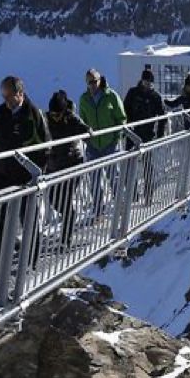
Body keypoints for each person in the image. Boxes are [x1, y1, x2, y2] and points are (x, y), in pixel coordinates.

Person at [0, 76, 51, 274]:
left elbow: (46, 145)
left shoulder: (34, 114)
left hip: (26, 178)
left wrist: (36, 172)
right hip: (2, 177)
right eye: (4, 96)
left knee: (29, 219)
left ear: (20, 94)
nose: (7, 101)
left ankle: (30, 263)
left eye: (10, 96)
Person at [79, 69, 127, 217]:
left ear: (100, 80)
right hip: (93, 145)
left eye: (94, 81)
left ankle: (120, 206)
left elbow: (121, 118)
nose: (92, 85)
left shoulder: (111, 96)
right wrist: (86, 137)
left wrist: (116, 137)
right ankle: (99, 210)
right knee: (94, 180)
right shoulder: (84, 99)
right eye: (89, 82)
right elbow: (82, 120)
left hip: (110, 143)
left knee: (114, 177)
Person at [45, 89, 90, 246]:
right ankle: (69, 215)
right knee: (53, 199)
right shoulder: (46, 119)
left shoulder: (71, 118)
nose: (55, 117)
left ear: (64, 111)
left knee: (65, 198)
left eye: (58, 114)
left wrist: (87, 131)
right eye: (52, 114)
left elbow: (84, 127)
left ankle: (66, 239)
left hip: (72, 164)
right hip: (53, 166)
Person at [124, 67, 167, 144]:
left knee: (146, 155)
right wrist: (127, 125)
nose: (148, 83)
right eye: (146, 81)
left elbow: (162, 116)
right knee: (131, 155)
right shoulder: (133, 93)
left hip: (148, 133)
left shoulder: (156, 96)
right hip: (133, 132)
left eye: (150, 82)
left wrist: (160, 134)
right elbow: (125, 109)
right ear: (142, 80)